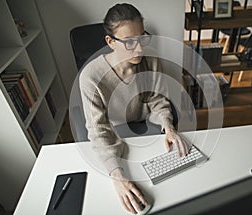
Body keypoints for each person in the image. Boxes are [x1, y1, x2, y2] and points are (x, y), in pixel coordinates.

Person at [79, 3, 189, 214]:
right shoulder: (91, 77)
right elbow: (98, 130)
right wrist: (117, 176)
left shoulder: (152, 61)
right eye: (129, 42)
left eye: (142, 38)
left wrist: (169, 127)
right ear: (110, 42)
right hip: (114, 135)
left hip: (148, 130)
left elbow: (158, 101)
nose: (139, 48)